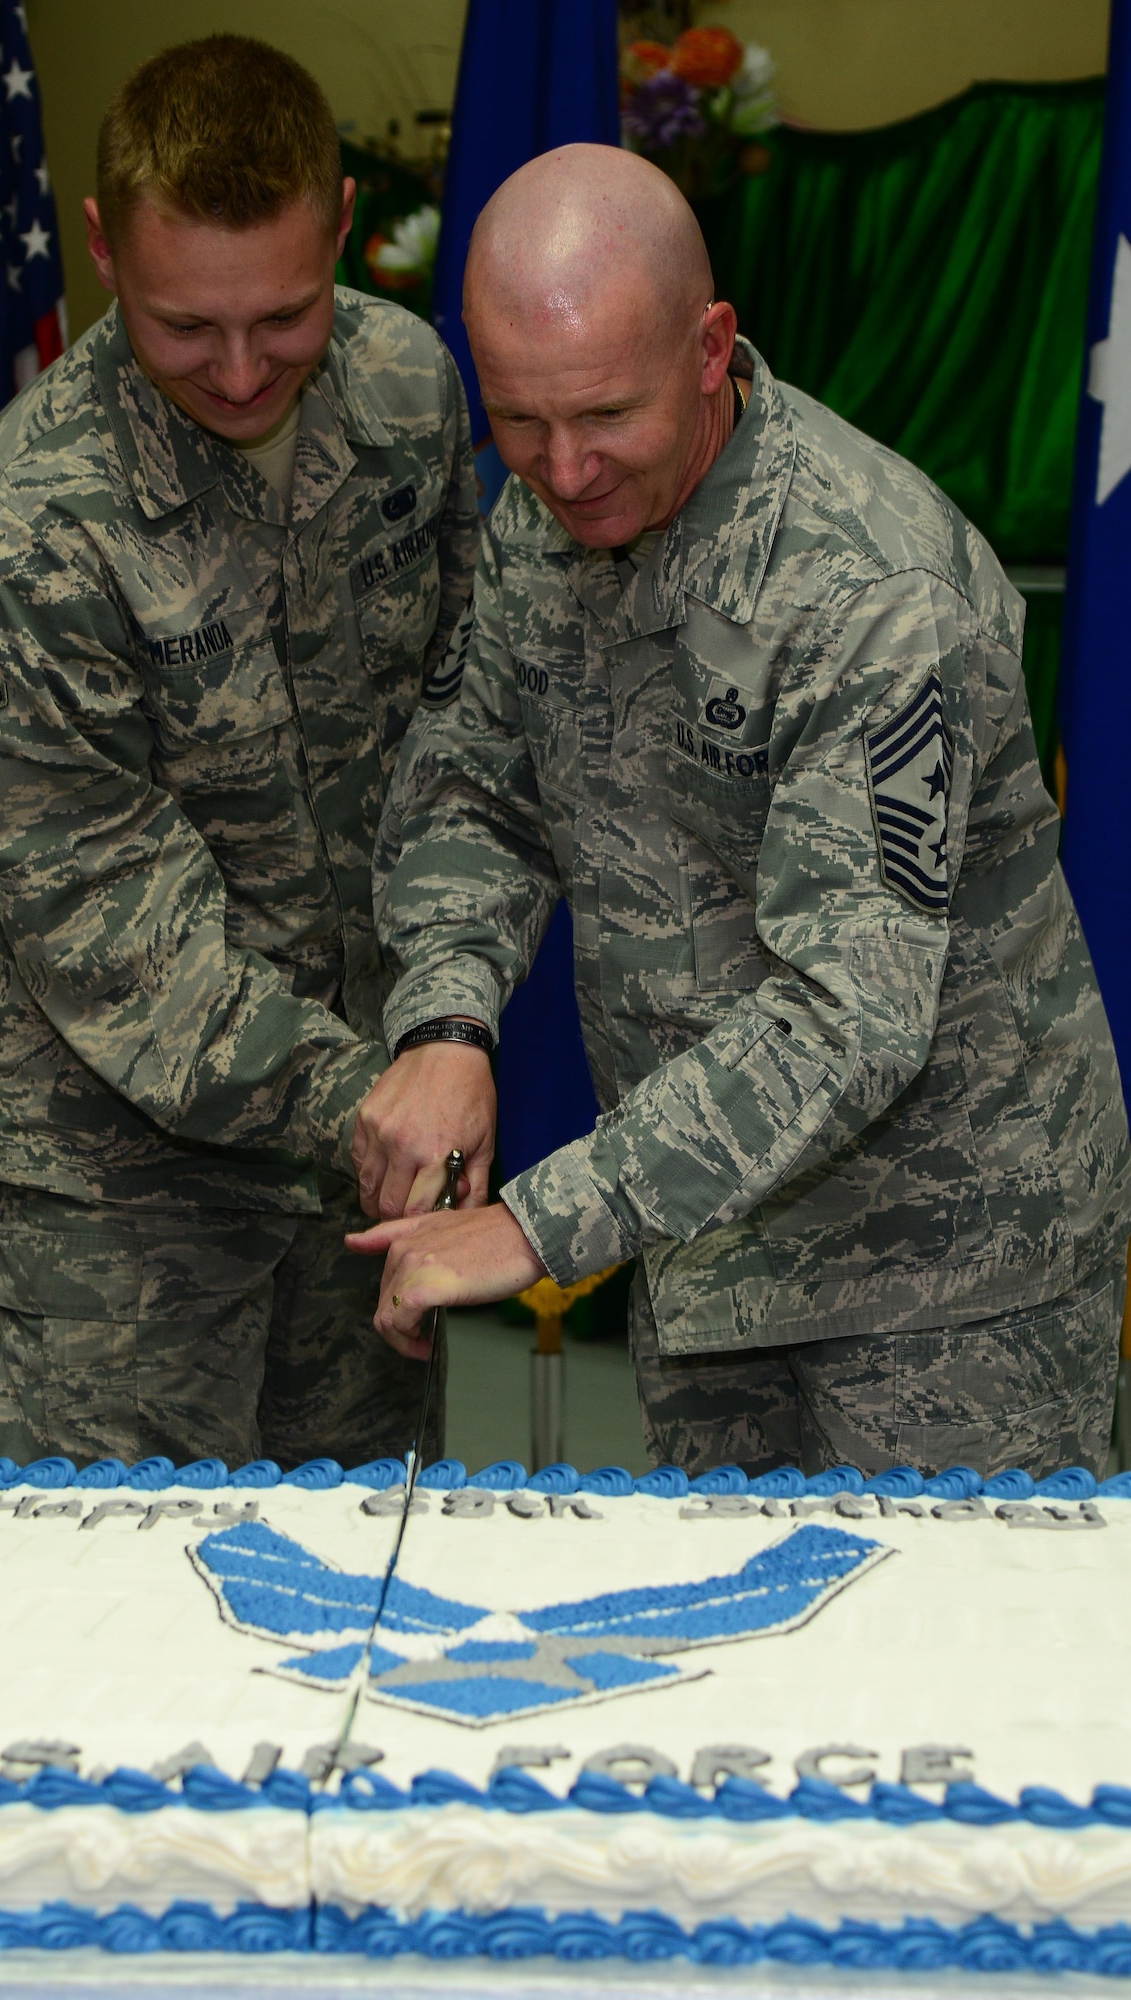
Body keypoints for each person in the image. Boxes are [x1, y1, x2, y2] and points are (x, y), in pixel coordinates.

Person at [350, 143, 1131, 1479]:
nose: (563, 467)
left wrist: (540, 1226)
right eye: (518, 421)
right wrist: (447, 1019)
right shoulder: (543, 516)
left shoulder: (872, 589)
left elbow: (847, 1015)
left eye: (603, 415)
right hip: (711, 1243)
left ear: (711, 348)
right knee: (734, 1660)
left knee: (938, 1675)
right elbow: (476, 781)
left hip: (951, 1278)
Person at [0, 36, 476, 1470]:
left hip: (366, 1156)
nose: (241, 370)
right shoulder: (31, 523)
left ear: (345, 223)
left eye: (286, 317)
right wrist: (372, 1102)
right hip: (130, 1190)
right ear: (103, 249)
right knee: (132, 1621)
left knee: (358, 1583)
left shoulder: (412, 391)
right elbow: (105, 918)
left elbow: (468, 724)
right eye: (185, 328)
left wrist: (446, 1027)